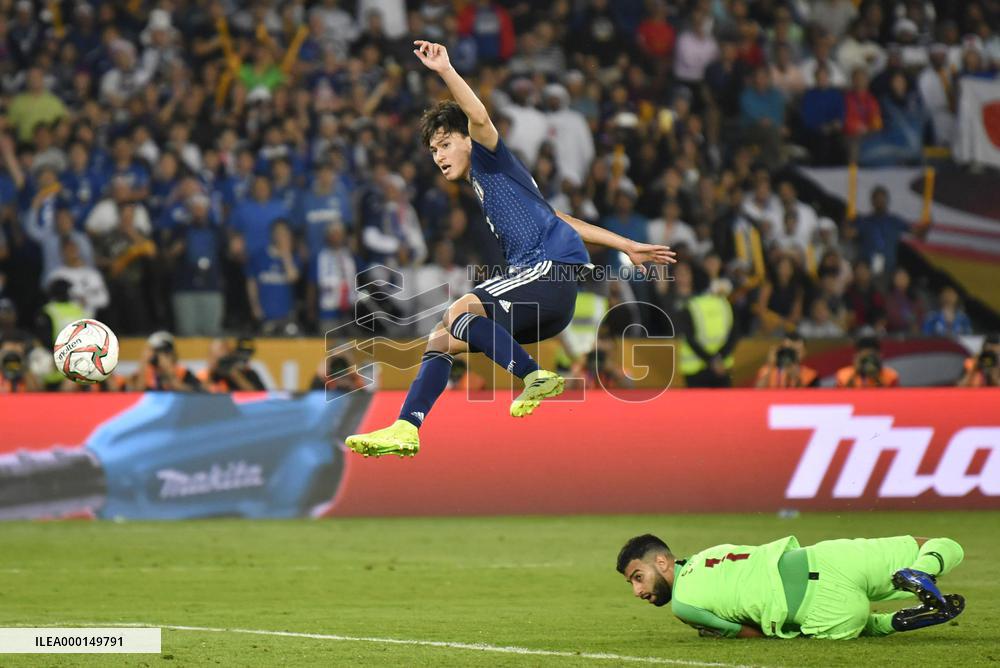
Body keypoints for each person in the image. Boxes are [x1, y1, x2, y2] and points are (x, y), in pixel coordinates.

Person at [345, 40, 674, 458]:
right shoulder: (500, 186)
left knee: (460, 310)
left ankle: (534, 375)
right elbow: (562, 219)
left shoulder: (490, 159)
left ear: (468, 140)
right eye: (433, 151)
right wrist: (627, 245)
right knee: (442, 338)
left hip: (545, 276)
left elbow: (478, 115)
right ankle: (406, 428)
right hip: (546, 296)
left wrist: (445, 70)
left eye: (445, 144)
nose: (439, 157)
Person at [616, 532, 966, 639]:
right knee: (931, 543)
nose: (638, 591)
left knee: (860, 625)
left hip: (819, 610)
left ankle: (893, 622)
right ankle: (921, 572)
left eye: (638, 577)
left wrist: (712, 631)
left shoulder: (682, 606)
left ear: (661, 563)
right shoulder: (712, 551)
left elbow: (749, 634)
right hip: (825, 558)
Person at [754, 332, 818, 388]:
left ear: (804, 352)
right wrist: (770, 364)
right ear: (780, 350)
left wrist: (795, 377)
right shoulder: (766, 370)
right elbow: (757, 392)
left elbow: (809, 398)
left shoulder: (811, 374)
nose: (790, 355)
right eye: (788, 350)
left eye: (796, 351)